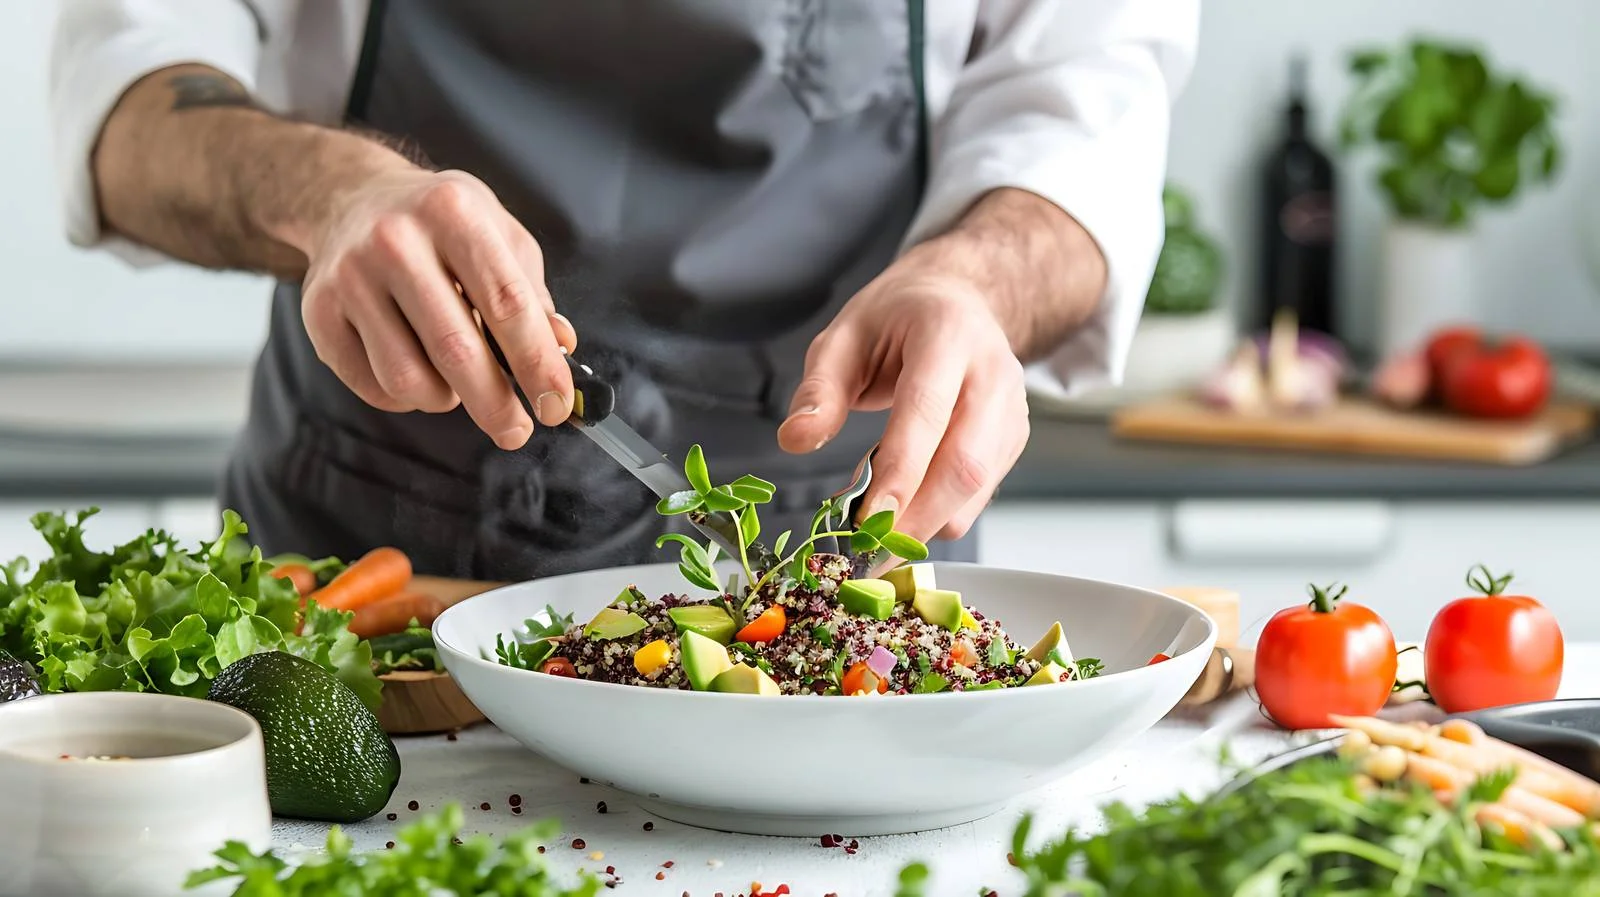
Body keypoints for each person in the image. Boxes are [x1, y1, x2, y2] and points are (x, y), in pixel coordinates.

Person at [49, 1, 1197, 581]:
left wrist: (972, 281)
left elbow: (1084, 110)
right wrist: (331, 190)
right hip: (378, 541)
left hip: (851, 540)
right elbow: (132, 106)